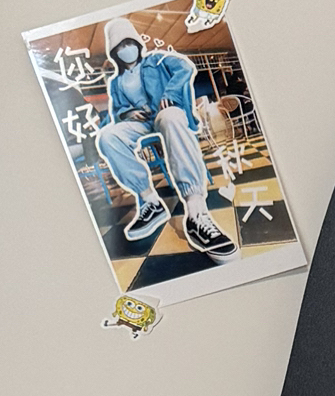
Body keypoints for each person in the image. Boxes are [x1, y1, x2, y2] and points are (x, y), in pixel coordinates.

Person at [94, 17, 233, 259]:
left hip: (164, 112)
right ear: (114, 51)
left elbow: (185, 68)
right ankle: (150, 200)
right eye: (120, 46)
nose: (126, 49)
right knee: (107, 136)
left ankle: (196, 210)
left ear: (137, 43)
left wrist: (170, 93)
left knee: (170, 116)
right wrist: (128, 113)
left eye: (129, 42)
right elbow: (118, 111)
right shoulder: (116, 82)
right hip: (140, 123)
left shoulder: (157, 59)